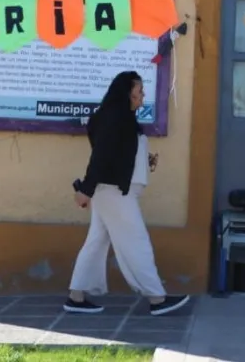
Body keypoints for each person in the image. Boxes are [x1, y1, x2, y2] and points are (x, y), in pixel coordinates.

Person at [64, 71, 190, 316]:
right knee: (137, 242)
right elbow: (100, 156)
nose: (142, 95)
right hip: (114, 192)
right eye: (139, 91)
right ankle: (156, 297)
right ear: (126, 93)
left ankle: (75, 296)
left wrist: (142, 160)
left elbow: (120, 152)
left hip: (115, 191)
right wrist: (86, 190)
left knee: (96, 242)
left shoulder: (123, 118)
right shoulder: (113, 118)